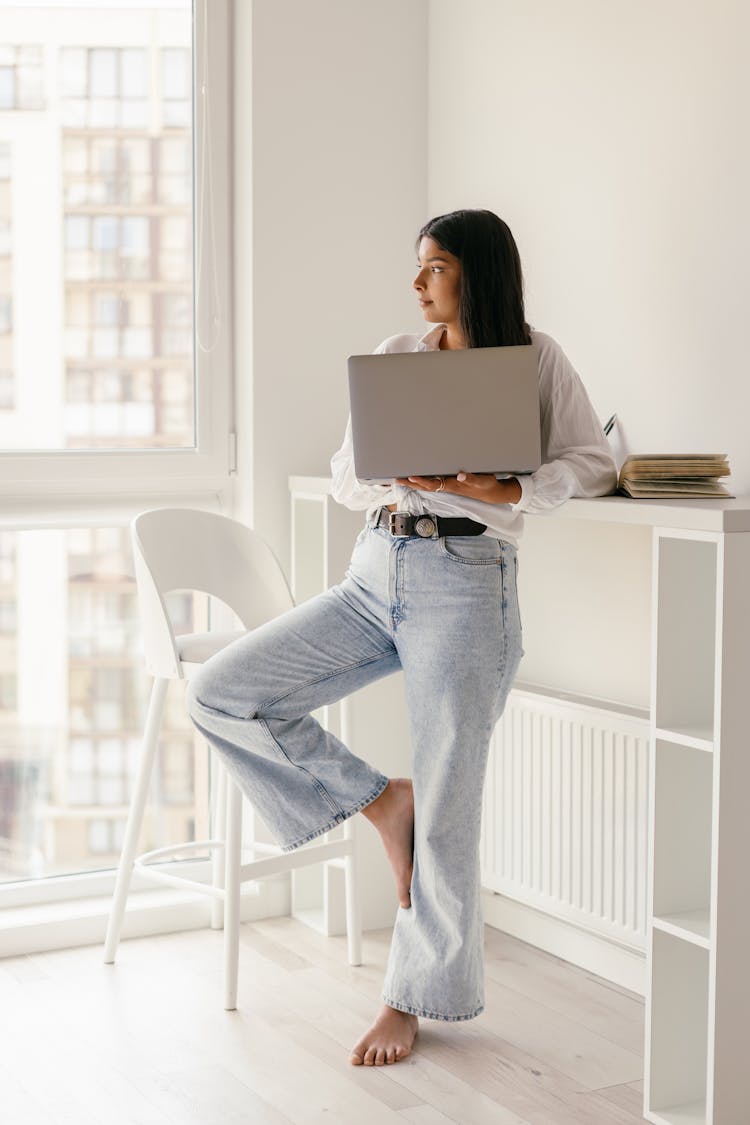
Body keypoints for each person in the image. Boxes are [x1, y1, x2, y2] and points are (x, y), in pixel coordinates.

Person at [186, 208, 617, 1068]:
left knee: (452, 807)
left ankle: (407, 1000)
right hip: (374, 571)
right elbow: (348, 475)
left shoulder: (536, 357)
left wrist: (499, 486)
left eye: (435, 267)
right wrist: (396, 467)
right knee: (223, 691)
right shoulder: (396, 354)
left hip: (466, 586)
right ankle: (384, 799)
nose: (418, 283)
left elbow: (591, 463)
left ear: (477, 274)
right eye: (417, 266)